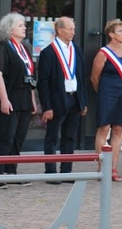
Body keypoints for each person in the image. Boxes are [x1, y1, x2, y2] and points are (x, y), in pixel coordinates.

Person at [38, 16, 88, 184]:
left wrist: (83, 101)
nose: (73, 32)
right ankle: (51, 172)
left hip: (74, 98)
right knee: (52, 136)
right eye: (70, 29)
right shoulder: (48, 52)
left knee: (70, 137)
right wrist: (47, 107)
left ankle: (66, 172)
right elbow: (43, 82)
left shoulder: (77, 50)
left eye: (74, 29)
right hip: (57, 100)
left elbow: (82, 77)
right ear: (60, 30)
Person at [0, 12, 36, 189]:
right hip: (8, 97)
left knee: (18, 136)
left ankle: (12, 171)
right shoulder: (2, 49)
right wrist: (3, 99)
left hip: (24, 97)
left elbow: (29, 76)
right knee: (6, 136)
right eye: (20, 25)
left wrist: (32, 98)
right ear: (9, 29)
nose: (24, 28)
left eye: (24, 25)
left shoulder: (24, 48)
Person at [91, 20, 122, 182]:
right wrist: (103, 93)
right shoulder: (103, 53)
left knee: (118, 130)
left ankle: (113, 168)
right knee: (104, 129)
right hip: (107, 93)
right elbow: (95, 78)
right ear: (111, 34)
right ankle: (102, 167)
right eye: (120, 31)